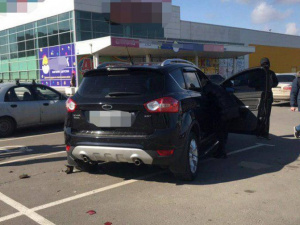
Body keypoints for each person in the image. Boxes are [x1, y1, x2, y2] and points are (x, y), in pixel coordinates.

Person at [202, 81, 240, 158]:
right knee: (224, 132)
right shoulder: (216, 86)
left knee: (220, 132)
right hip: (230, 110)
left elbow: (210, 103)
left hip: (223, 112)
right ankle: (221, 150)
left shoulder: (207, 89)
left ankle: (221, 152)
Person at [257, 57, 279, 139]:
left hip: (268, 96)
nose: (266, 66)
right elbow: (252, 83)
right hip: (260, 96)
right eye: (264, 64)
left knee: (266, 116)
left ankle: (265, 133)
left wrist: (270, 84)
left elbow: (276, 82)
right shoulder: (259, 73)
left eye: (267, 64)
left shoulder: (271, 73)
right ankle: (258, 132)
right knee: (259, 115)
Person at [290, 71, 300, 138]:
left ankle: (297, 129)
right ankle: (297, 129)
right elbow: (293, 92)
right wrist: (293, 105)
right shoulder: (297, 80)